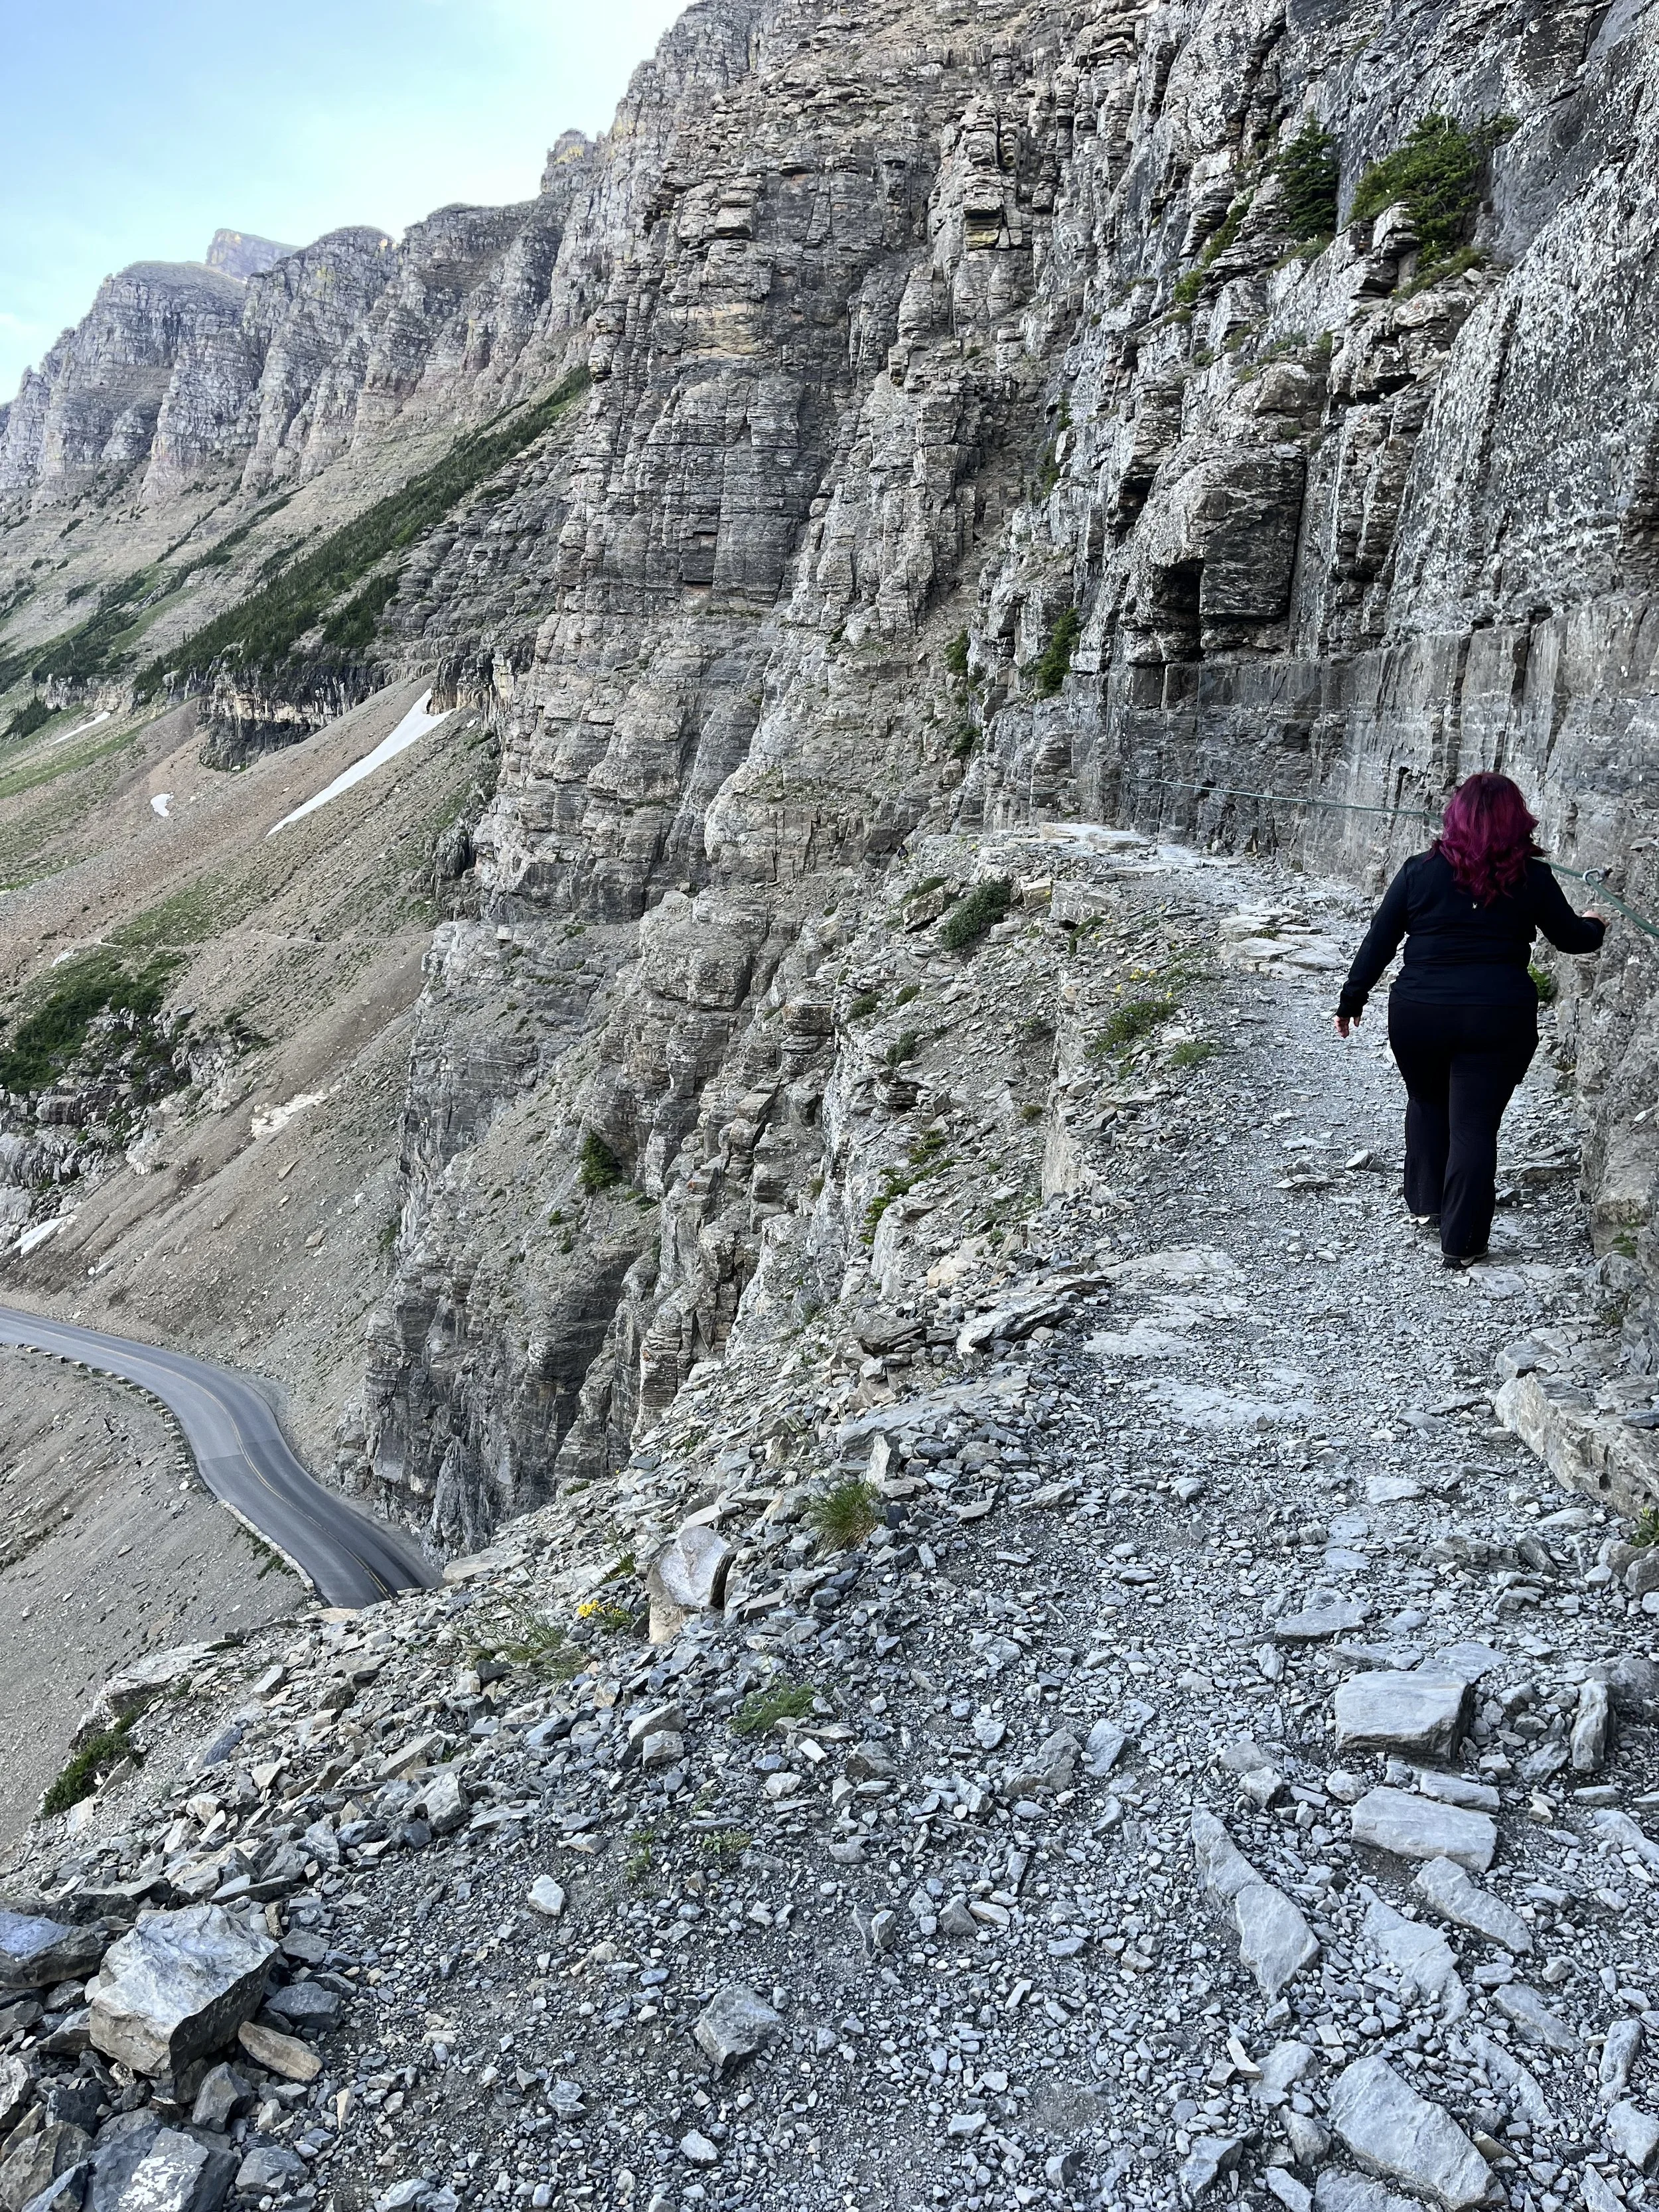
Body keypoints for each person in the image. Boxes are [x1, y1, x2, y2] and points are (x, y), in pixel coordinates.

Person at [1333, 772, 1606, 1269]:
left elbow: (1380, 941)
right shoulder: (1533, 878)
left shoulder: (1419, 871)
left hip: (1420, 1013)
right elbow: (1573, 939)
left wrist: (1351, 999)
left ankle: (1425, 1202)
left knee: (1426, 1097)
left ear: (1454, 818)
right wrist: (1597, 923)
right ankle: (1462, 1244)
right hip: (1498, 1014)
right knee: (1474, 1126)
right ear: (1517, 822)